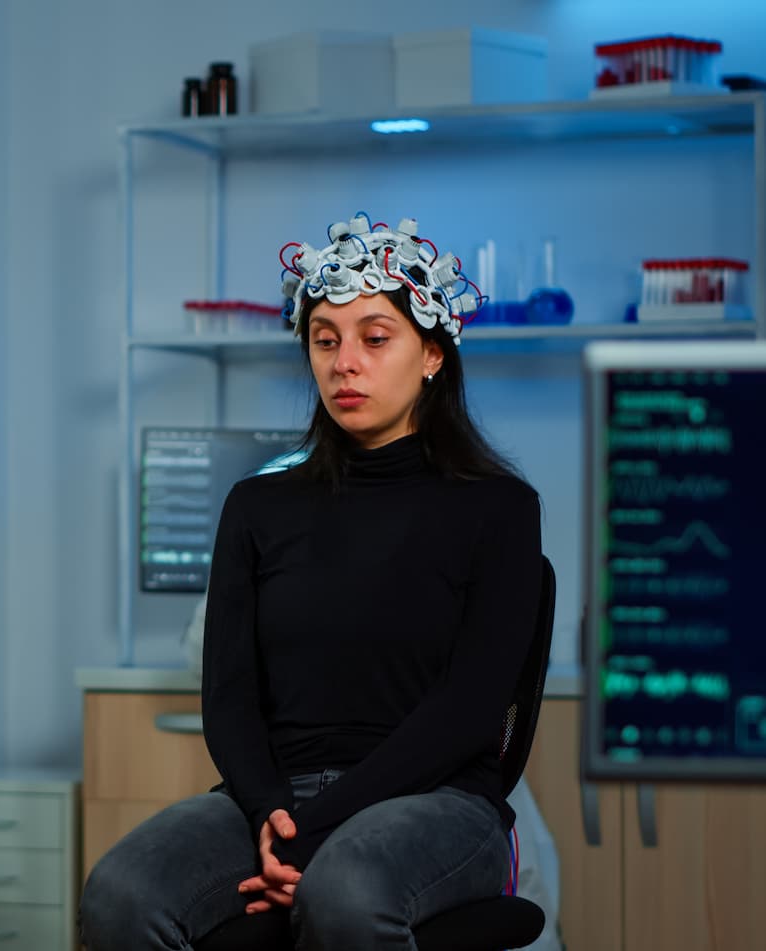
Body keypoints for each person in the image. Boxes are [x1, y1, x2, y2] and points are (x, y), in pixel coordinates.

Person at [78, 214, 543, 950]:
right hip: (272, 803)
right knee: (120, 893)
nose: (344, 361)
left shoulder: (500, 509)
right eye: (325, 340)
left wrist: (321, 825)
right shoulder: (258, 507)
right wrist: (272, 813)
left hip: (438, 800)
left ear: (431, 355)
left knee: (347, 889)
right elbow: (228, 696)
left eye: (373, 337)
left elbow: (469, 708)